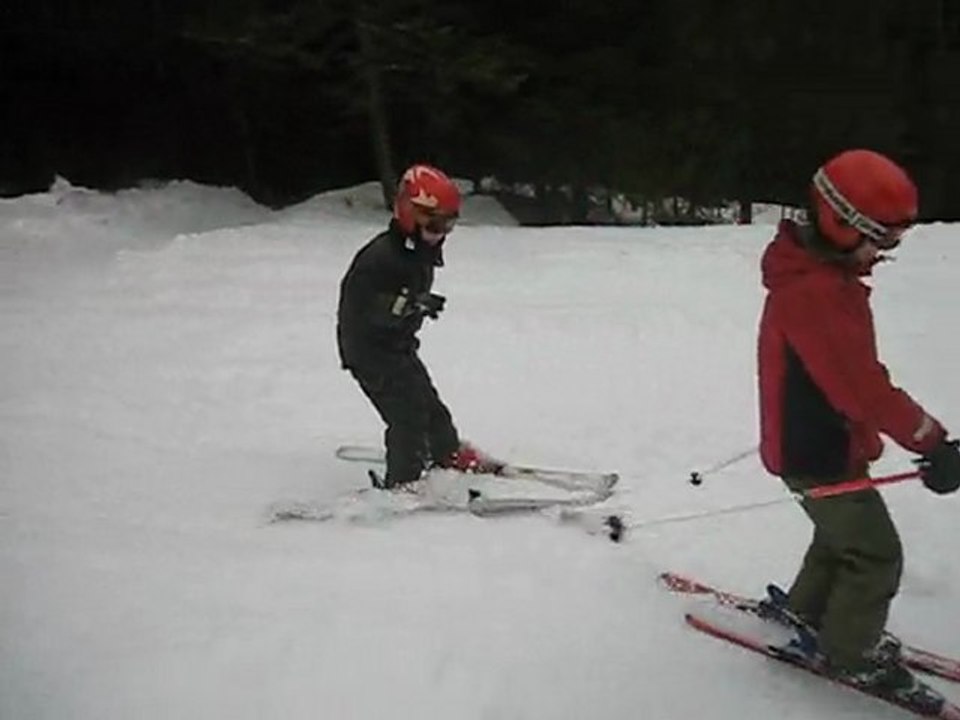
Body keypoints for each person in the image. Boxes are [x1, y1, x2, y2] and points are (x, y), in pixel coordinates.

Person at [756, 149, 960, 697]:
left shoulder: (823, 278)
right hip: (815, 451)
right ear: (839, 222)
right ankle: (851, 653)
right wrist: (933, 442)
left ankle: (810, 612)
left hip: (820, 446)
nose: (886, 253)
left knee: (839, 538)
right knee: (874, 554)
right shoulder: (817, 294)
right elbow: (864, 388)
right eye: (882, 239)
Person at [336, 163, 498, 489]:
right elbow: (368, 309)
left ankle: (446, 451)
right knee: (407, 415)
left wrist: (414, 304)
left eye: (448, 225)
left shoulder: (418, 249)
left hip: (396, 345)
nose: (441, 233)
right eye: (435, 224)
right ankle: (402, 484)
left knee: (428, 403)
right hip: (368, 350)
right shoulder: (380, 257)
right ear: (410, 214)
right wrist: (409, 304)